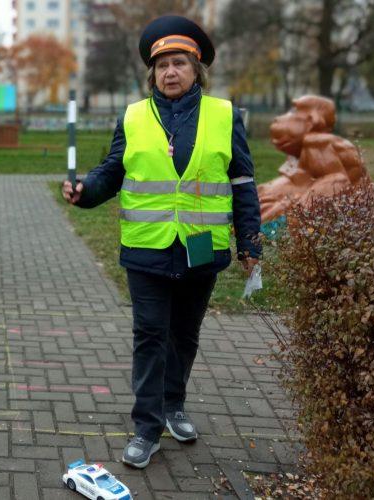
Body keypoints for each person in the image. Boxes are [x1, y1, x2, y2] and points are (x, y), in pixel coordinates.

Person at [62, 15, 261, 468]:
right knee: (150, 335)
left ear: (196, 70)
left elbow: (244, 181)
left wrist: (249, 241)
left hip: (202, 248)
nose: (170, 72)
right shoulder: (132, 116)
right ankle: (147, 426)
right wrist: (85, 192)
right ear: (152, 74)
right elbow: (113, 170)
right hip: (147, 247)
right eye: (162, 66)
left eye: (179, 63)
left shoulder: (225, 115)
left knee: (184, 335)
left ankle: (174, 406)